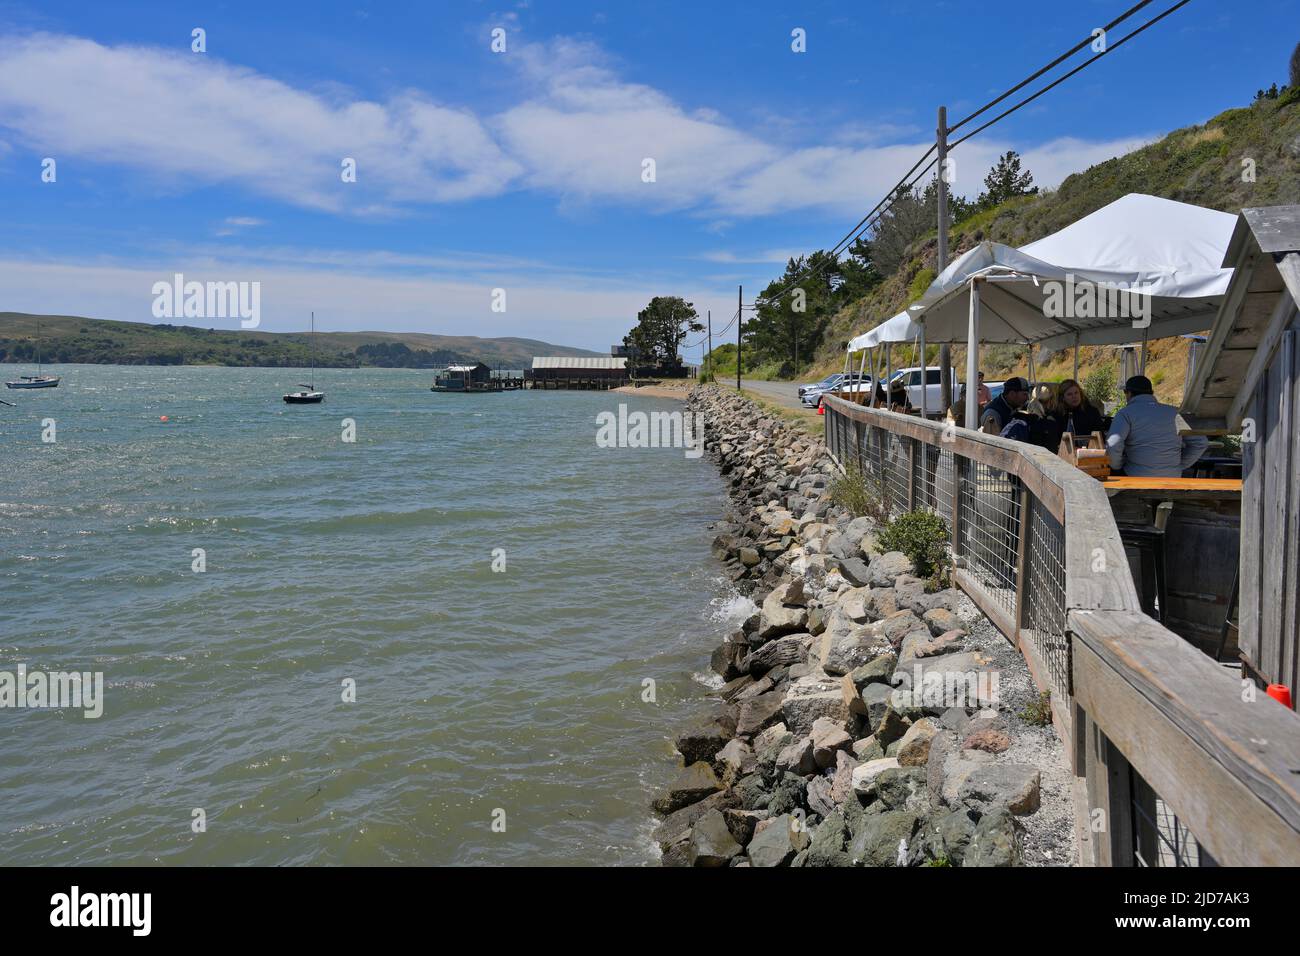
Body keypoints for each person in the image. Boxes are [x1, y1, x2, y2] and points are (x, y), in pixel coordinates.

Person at [1106, 375, 1209, 477]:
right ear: (1151, 392)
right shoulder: (1176, 413)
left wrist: (1117, 467)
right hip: (1172, 477)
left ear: (1128, 393)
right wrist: (1180, 465)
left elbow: (1113, 444)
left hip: (1136, 476)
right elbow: (1200, 442)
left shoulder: (1125, 413)